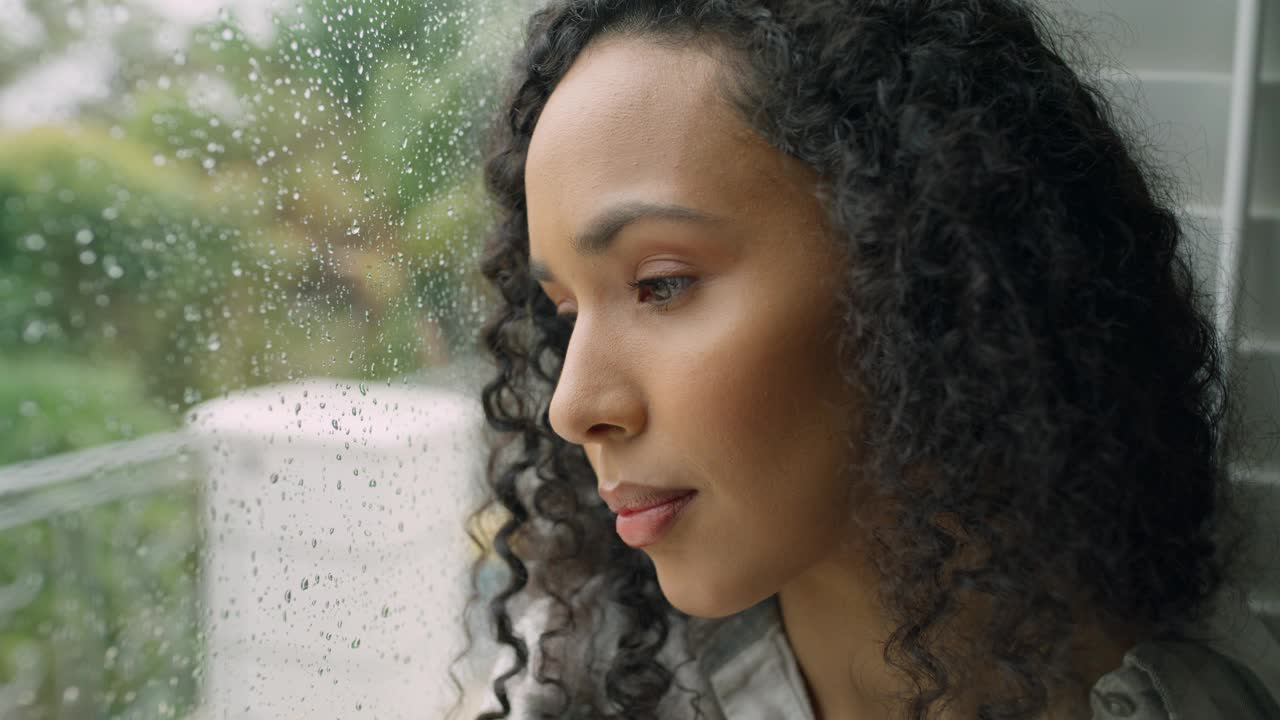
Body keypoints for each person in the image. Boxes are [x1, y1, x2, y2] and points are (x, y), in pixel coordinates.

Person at [453, 0, 1280, 718]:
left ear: (919, 268)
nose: (571, 407)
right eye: (564, 314)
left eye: (662, 286)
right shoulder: (592, 676)